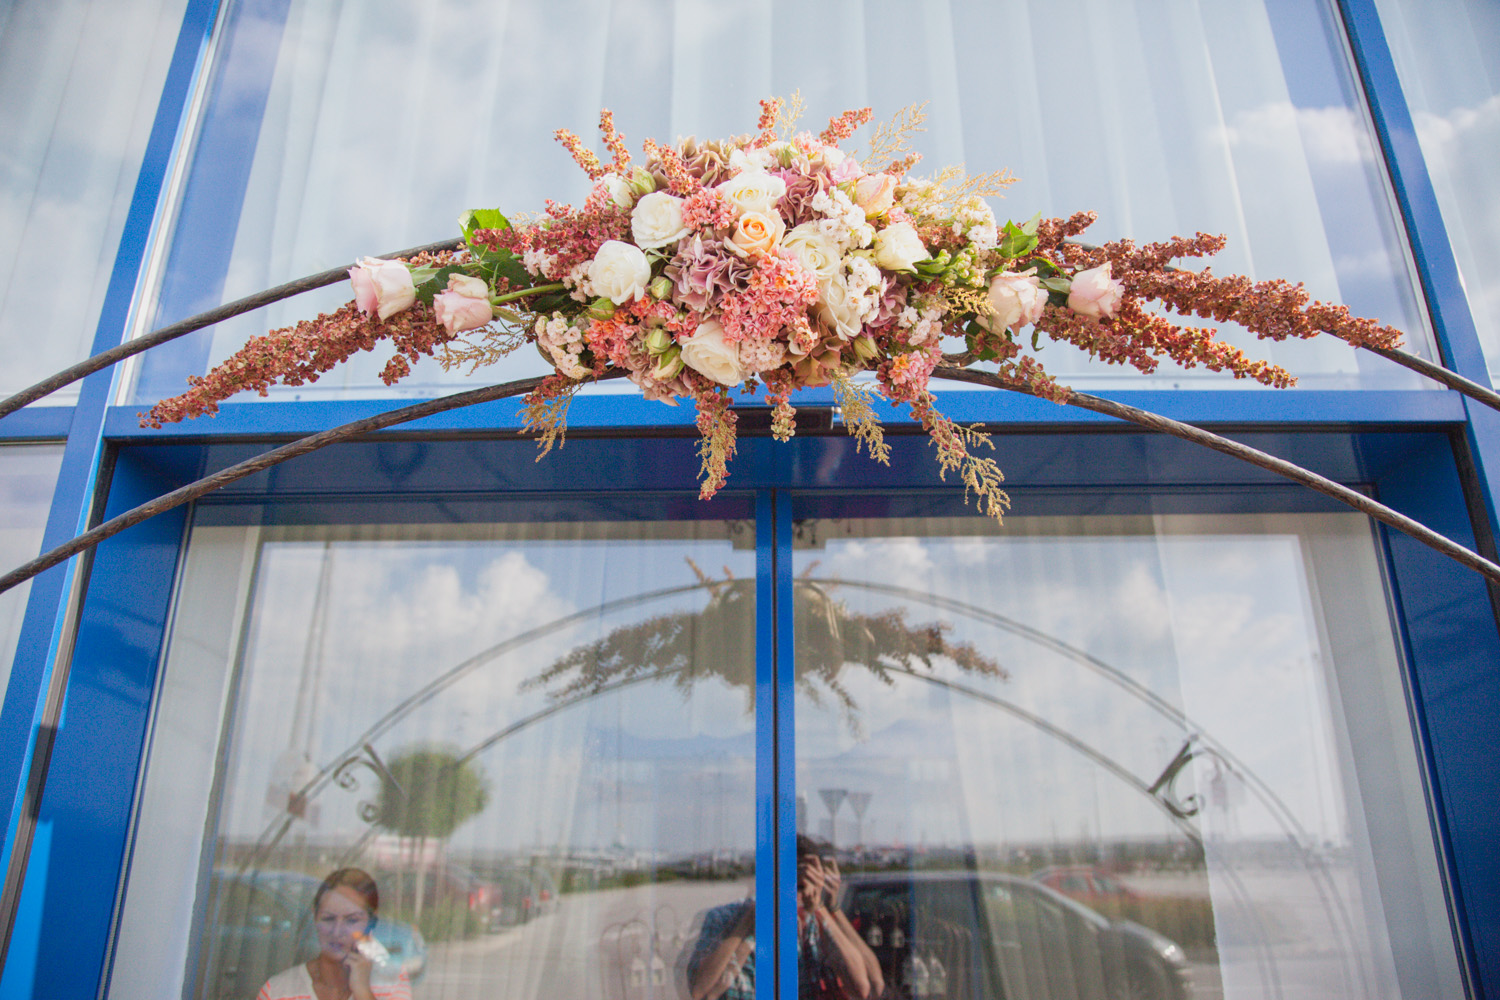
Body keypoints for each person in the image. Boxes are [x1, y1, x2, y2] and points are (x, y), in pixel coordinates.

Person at [686, 838, 883, 1000]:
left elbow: (865, 988)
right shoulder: (726, 917)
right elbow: (700, 991)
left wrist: (822, 908)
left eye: (804, 880)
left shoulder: (817, 924)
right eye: (790, 877)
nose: (795, 891)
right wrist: (752, 920)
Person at [255, 868, 411, 1000]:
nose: (337, 931)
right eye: (328, 918)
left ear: (372, 922)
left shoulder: (392, 984)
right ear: (315, 918)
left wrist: (363, 992)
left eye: (351, 920)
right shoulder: (278, 991)